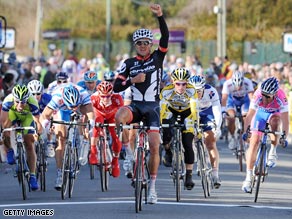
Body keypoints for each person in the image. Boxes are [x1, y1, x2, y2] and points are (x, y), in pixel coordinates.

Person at [113, 3, 169, 204]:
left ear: (150, 44)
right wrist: (131, 81)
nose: (143, 45)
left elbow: (165, 37)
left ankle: (152, 188)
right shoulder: (129, 63)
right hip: (136, 105)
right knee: (119, 115)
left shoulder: (157, 57)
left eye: (146, 42)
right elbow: (116, 86)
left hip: (153, 106)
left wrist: (160, 17)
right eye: (139, 43)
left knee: (154, 146)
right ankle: (126, 152)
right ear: (135, 45)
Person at [40, 83, 95, 190]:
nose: (73, 108)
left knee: (87, 119)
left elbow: (90, 112)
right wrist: (47, 128)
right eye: (72, 106)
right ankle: (60, 173)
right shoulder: (57, 98)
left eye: (75, 106)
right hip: (61, 109)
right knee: (61, 139)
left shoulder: (83, 94)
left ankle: (84, 140)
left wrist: (90, 125)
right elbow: (45, 115)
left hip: (81, 106)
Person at [241, 77, 289, 193]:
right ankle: (248, 177)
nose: (264, 98)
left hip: (274, 114)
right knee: (254, 142)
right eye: (263, 94)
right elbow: (250, 116)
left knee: (276, 122)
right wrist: (245, 131)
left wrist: (284, 137)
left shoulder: (281, 97)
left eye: (268, 96)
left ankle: (273, 151)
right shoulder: (258, 94)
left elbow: (285, 120)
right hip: (260, 115)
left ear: (274, 94)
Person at [160, 68, 198, 190]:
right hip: (172, 112)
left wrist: (195, 123)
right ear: (173, 82)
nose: (181, 87)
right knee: (165, 129)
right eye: (178, 84)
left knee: (187, 143)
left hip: (187, 113)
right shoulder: (166, 91)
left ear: (188, 83)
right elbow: (162, 109)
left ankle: (189, 175)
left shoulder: (192, 90)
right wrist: (161, 124)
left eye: (184, 84)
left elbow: (194, 108)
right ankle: (168, 151)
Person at [0, 85, 43, 190]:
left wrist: (37, 133)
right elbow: (3, 122)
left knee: (29, 143)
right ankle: (10, 150)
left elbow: (38, 122)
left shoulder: (33, 103)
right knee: (6, 130)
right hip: (12, 114)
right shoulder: (7, 101)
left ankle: (32, 175)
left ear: (27, 99)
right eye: (17, 101)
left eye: (23, 102)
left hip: (27, 116)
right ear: (13, 98)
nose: (20, 105)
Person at [189, 75, 222, 188]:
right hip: (192, 112)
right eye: (194, 91)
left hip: (207, 113)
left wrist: (217, 127)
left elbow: (217, 111)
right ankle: (195, 151)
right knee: (189, 135)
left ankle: (215, 174)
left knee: (210, 142)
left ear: (203, 88)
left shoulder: (211, 91)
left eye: (199, 91)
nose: (197, 93)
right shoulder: (186, 92)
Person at [90, 81, 124, 177]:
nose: (105, 99)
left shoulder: (117, 98)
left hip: (112, 117)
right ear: (99, 94)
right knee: (97, 123)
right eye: (103, 96)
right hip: (99, 115)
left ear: (111, 94)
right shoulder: (93, 98)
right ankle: (93, 151)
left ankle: (115, 160)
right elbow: (89, 113)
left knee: (116, 138)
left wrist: (121, 125)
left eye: (108, 96)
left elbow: (122, 113)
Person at [221, 70, 254, 150]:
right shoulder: (227, 84)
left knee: (246, 117)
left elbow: (251, 97)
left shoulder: (248, 82)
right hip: (232, 100)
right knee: (231, 117)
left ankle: (245, 136)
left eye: (240, 85)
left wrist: (253, 109)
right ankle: (232, 138)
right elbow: (224, 98)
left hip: (244, 100)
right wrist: (223, 110)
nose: (238, 88)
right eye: (236, 86)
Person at [27, 80, 54, 157]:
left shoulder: (47, 98)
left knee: (49, 124)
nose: (36, 96)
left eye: (38, 93)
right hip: (33, 114)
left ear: (42, 93)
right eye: (33, 94)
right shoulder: (26, 100)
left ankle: (50, 142)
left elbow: (53, 112)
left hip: (44, 113)